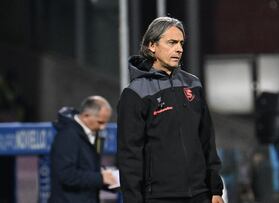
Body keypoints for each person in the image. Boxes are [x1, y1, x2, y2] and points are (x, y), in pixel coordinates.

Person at [117, 16, 224, 203]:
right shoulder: (135, 93)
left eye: (181, 43)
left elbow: (207, 140)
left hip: (200, 194)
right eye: (172, 42)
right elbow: (129, 156)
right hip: (159, 197)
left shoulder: (193, 84)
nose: (179, 49)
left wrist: (215, 189)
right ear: (152, 45)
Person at [49, 95, 118, 203]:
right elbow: (66, 175)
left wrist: (109, 178)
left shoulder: (91, 134)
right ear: (86, 116)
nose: (103, 127)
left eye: (106, 122)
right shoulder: (68, 135)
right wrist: (100, 178)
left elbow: (86, 168)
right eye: (100, 122)